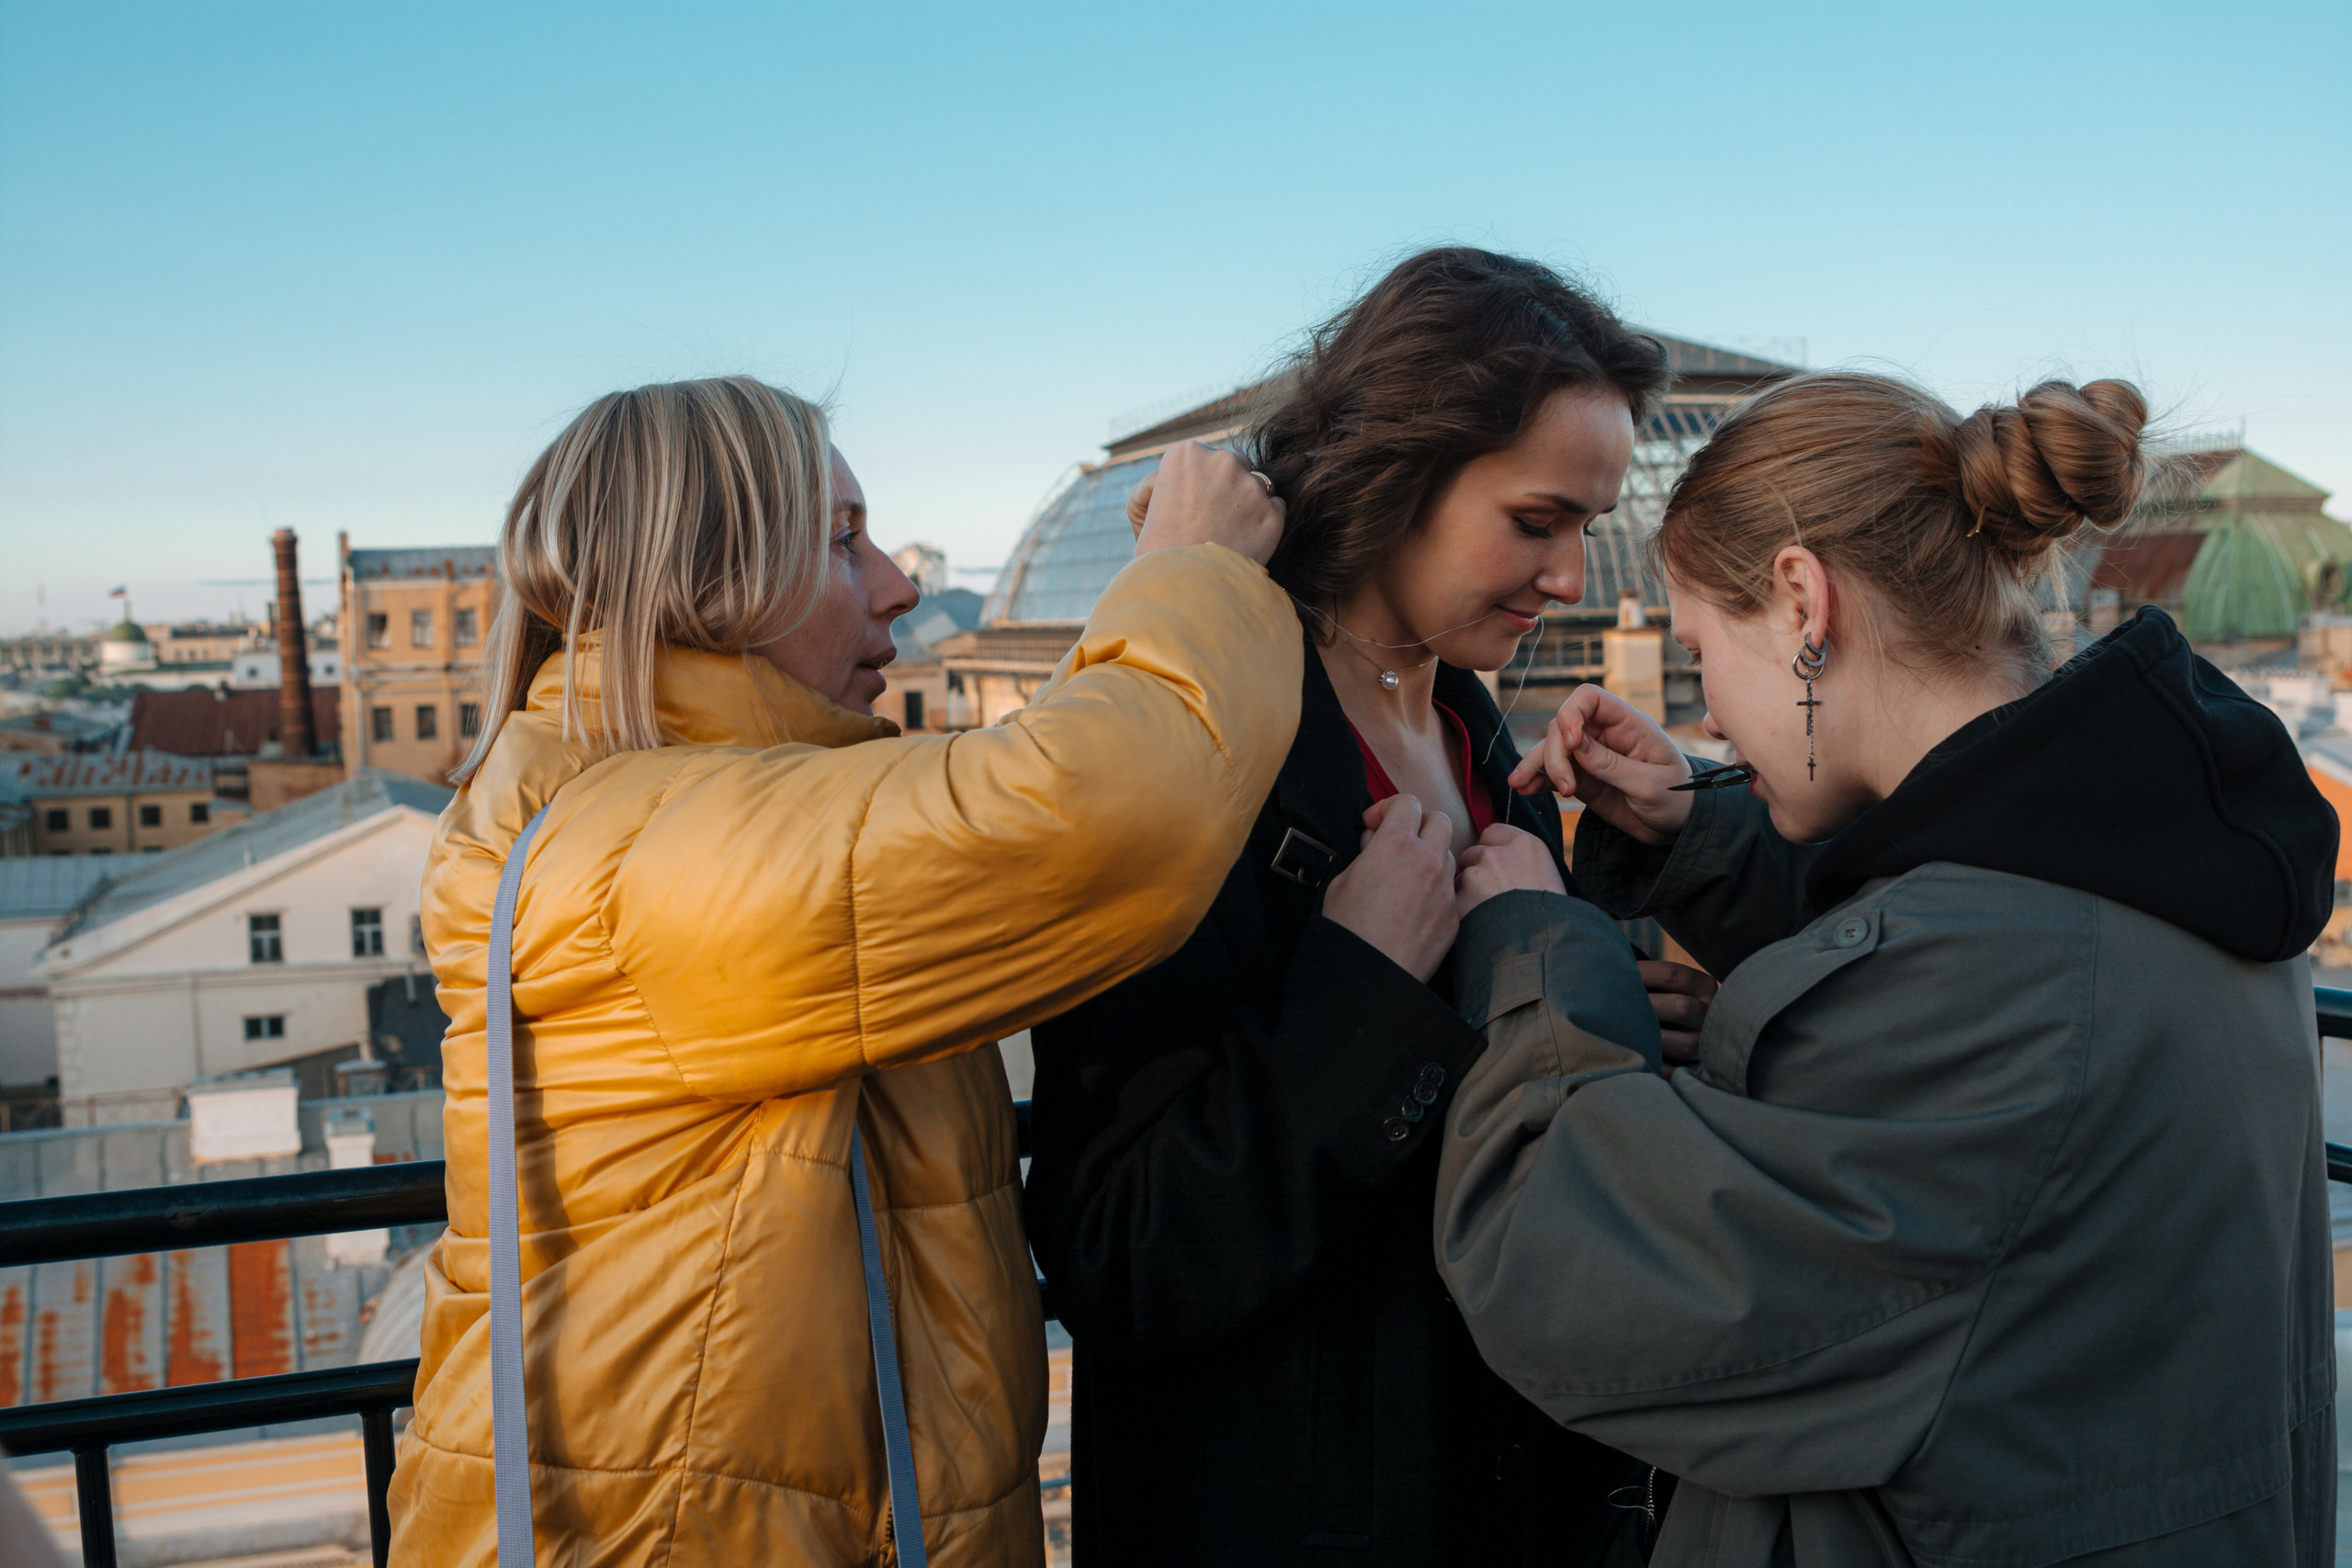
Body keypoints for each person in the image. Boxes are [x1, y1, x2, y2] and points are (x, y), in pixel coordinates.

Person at [387, 377, 1296, 1567]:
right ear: (704, 578)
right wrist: (1193, 570)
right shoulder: (639, 853)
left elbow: (962, 822)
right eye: (840, 540)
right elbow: (1108, 816)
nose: (899, 588)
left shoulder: (672, 807)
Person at [1435, 372, 2339, 1565]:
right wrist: (1700, 842)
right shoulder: (2165, 841)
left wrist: (1534, 954)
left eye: (1703, 657)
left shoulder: (1998, 984)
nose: (1711, 716)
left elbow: (1591, 1286)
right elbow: (1946, 913)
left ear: (1805, 604)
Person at [1022, 247, 1711, 1566]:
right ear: (1399, 478)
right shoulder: (1199, 746)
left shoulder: (1475, 735)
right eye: (1536, 521)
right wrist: (1364, 987)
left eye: (1585, 526)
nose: (1572, 578)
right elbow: (1118, 1248)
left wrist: (1604, 1012)